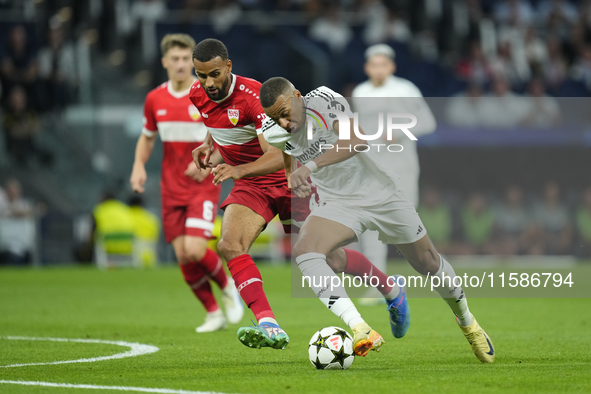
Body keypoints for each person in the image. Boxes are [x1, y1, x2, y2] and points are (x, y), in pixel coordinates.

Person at [260, 76, 496, 363]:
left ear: (298, 96)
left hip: (381, 193)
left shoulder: (322, 100)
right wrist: (289, 173)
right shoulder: (273, 129)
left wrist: (308, 166)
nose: (283, 123)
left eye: (285, 114)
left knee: (428, 263)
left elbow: (356, 140)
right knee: (306, 251)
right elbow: (285, 146)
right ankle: (360, 328)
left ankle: (468, 323)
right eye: (276, 118)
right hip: (338, 202)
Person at [190, 38, 398, 356]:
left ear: (228, 67)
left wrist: (238, 171)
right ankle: (269, 324)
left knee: (329, 259)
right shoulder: (197, 94)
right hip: (252, 185)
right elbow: (219, 122)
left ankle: (388, 287)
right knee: (230, 245)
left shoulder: (253, 98)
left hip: (290, 180)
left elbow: (279, 153)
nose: (208, 83)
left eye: (214, 74)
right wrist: (210, 144)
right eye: (201, 75)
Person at [130, 34, 243, 333]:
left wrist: (211, 163)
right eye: (175, 59)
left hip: (202, 185)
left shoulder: (206, 94)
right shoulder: (155, 99)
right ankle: (213, 312)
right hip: (170, 187)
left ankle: (228, 285)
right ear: (165, 62)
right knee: (183, 256)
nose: (181, 65)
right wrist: (139, 166)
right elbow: (147, 136)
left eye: (185, 59)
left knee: (195, 249)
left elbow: (224, 136)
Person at [351, 44, 436, 304]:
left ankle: (433, 273)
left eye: (383, 64)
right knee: (371, 224)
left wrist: (399, 132)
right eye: (373, 64)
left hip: (403, 167)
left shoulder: (406, 89)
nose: (378, 69)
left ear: (392, 66)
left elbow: (428, 122)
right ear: (367, 68)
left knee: (408, 224)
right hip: (372, 168)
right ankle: (379, 284)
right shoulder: (360, 92)